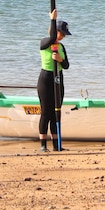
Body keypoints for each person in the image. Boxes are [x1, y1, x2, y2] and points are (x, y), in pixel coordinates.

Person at [37, 9, 71, 152]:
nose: (62, 36)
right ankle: (43, 145)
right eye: (61, 33)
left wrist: (60, 59)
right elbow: (51, 39)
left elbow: (66, 65)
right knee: (46, 112)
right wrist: (52, 19)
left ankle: (57, 144)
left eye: (64, 34)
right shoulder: (45, 42)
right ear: (54, 31)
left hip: (58, 78)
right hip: (46, 79)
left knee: (56, 111)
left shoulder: (61, 47)